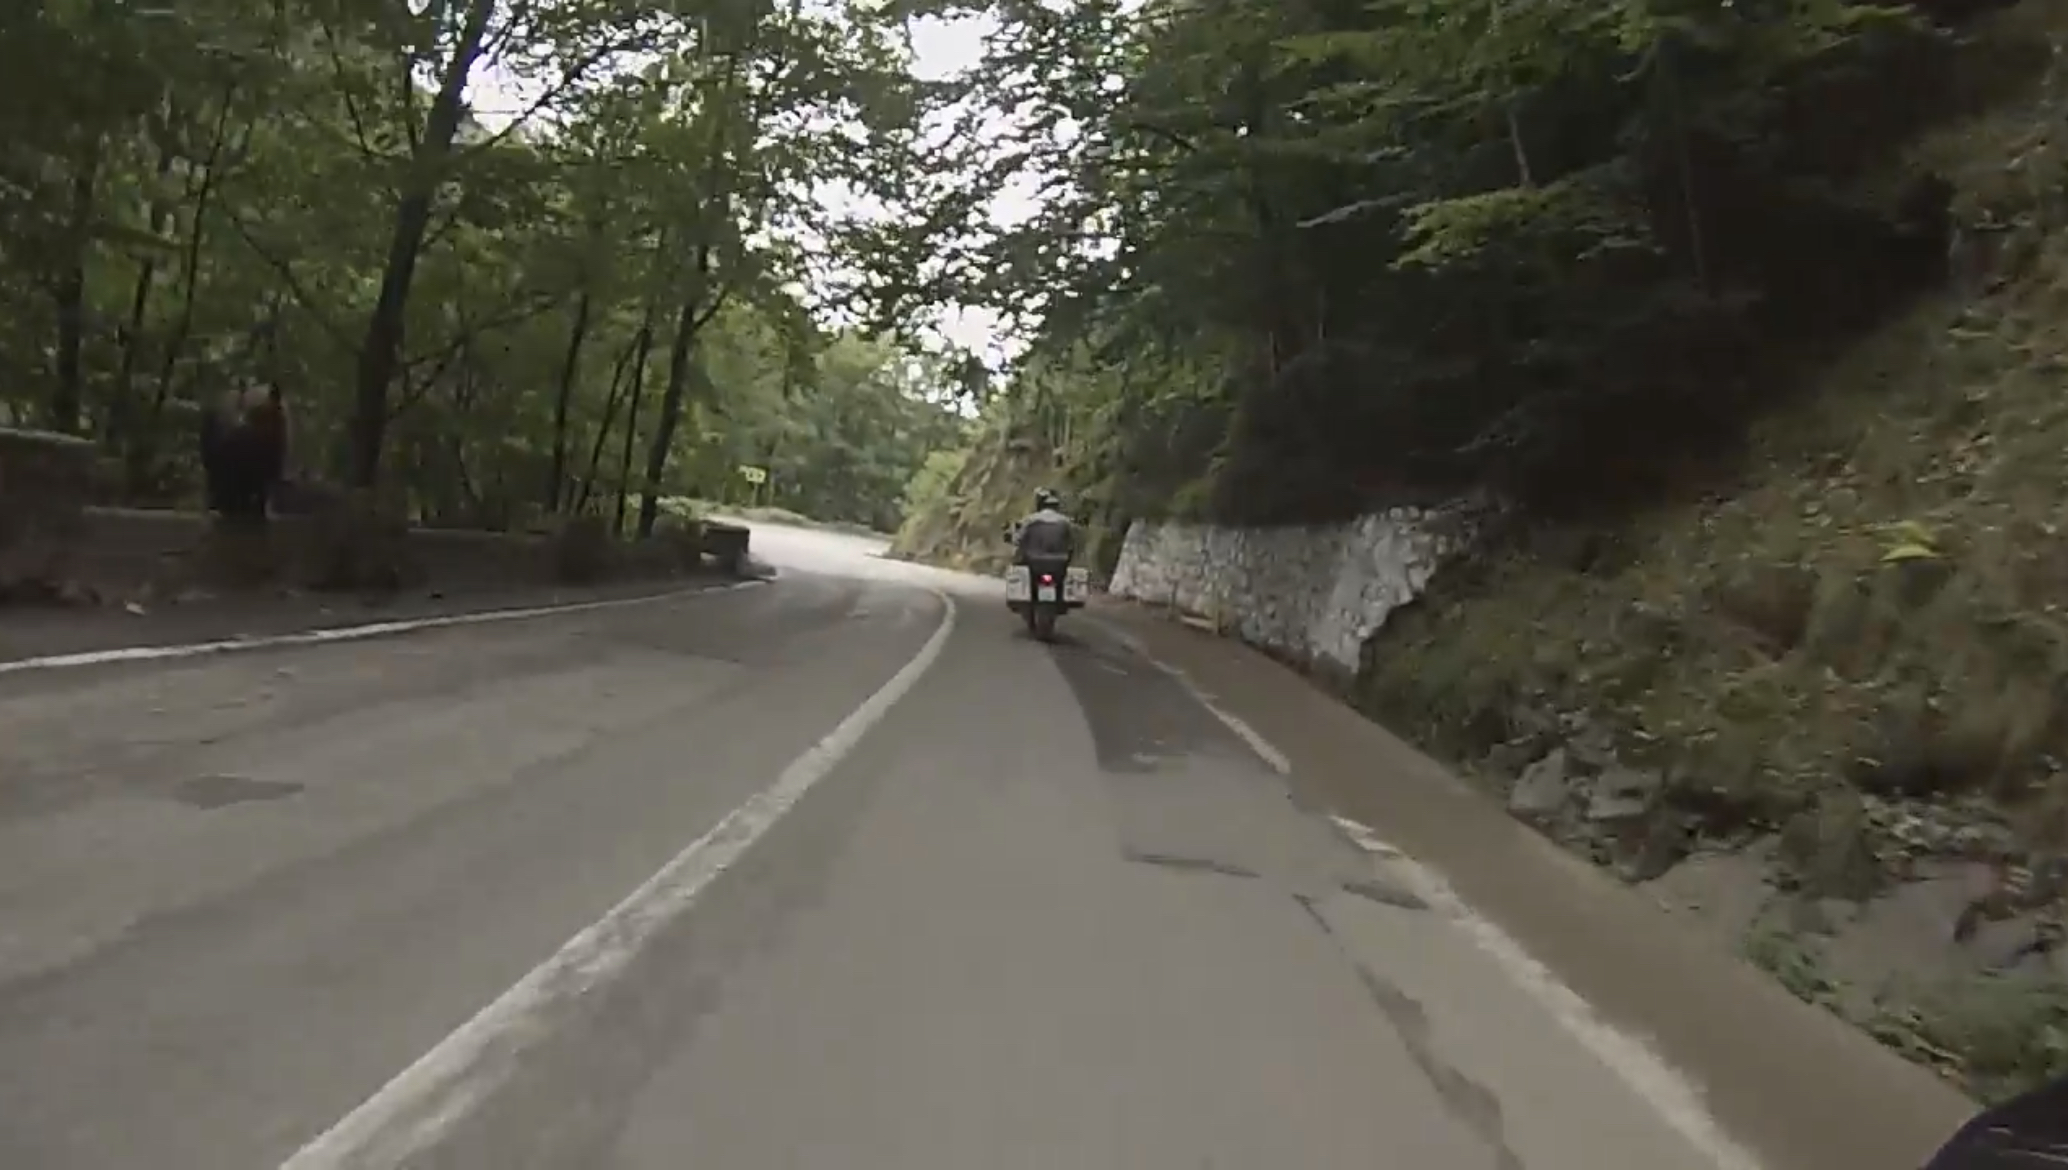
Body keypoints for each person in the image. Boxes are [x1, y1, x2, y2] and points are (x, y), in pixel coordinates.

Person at [1012, 487, 1076, 566]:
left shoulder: (1030, 520)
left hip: (1034, 559)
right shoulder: (1065, 521)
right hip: (1060, 560)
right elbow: (1072, 542)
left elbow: (1018, 539)